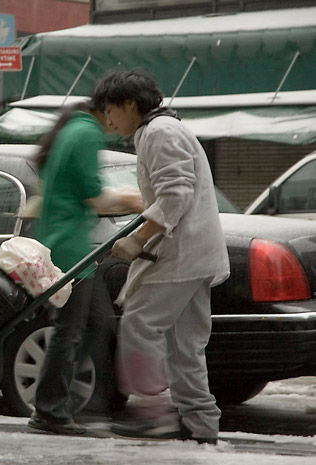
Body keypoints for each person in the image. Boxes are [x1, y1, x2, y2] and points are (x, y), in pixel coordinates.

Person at [90, 69, 230, 444]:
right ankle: (199, 422)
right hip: (196, 255)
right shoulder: (166, 130)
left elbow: (175, 196)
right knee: (184, 344)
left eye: (110, 110)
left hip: (181, 255)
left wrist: (140, 238)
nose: (108, 120)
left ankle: (152, 412)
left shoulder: (159, 133)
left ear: (129, 104)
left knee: (139, 323)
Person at [26, 100, 143, 435]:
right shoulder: (87, 133)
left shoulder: (69, 129)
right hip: (70, 247)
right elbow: (94, 196)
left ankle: (78, 401)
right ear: (106, 110)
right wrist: (134, 199)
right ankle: (50, 410)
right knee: (71, 329)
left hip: (64, 243)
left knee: (98, 324)